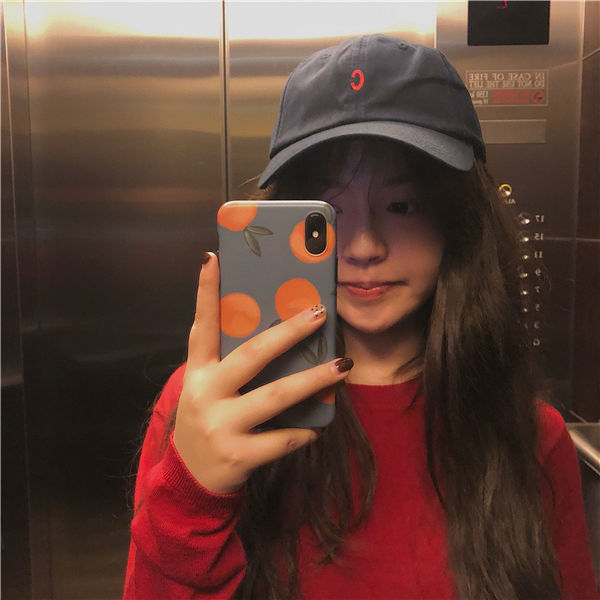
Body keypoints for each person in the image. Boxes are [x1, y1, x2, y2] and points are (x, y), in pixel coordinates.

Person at [123, 35, 598, 600]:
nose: (365, 246)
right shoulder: (212, 408)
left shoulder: (530, 435)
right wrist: (191, 499)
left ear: (457, 220)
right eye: (330, 210)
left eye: (401, 205)